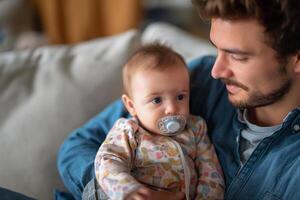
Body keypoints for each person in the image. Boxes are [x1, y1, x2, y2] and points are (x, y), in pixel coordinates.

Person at [57, 0, 300, 199]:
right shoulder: (197, 79)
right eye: (216, 48)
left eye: (238, 57)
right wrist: (128, 191)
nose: (217, 71)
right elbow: (77, 146)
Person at [92, 44, 224, 200]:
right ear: (131, 106)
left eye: (180, 97)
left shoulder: (196, 128)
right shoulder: (129, 130)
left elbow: (210, 171)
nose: (171, 109)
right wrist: (128, 189)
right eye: (156, 100)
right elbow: (107, 160)